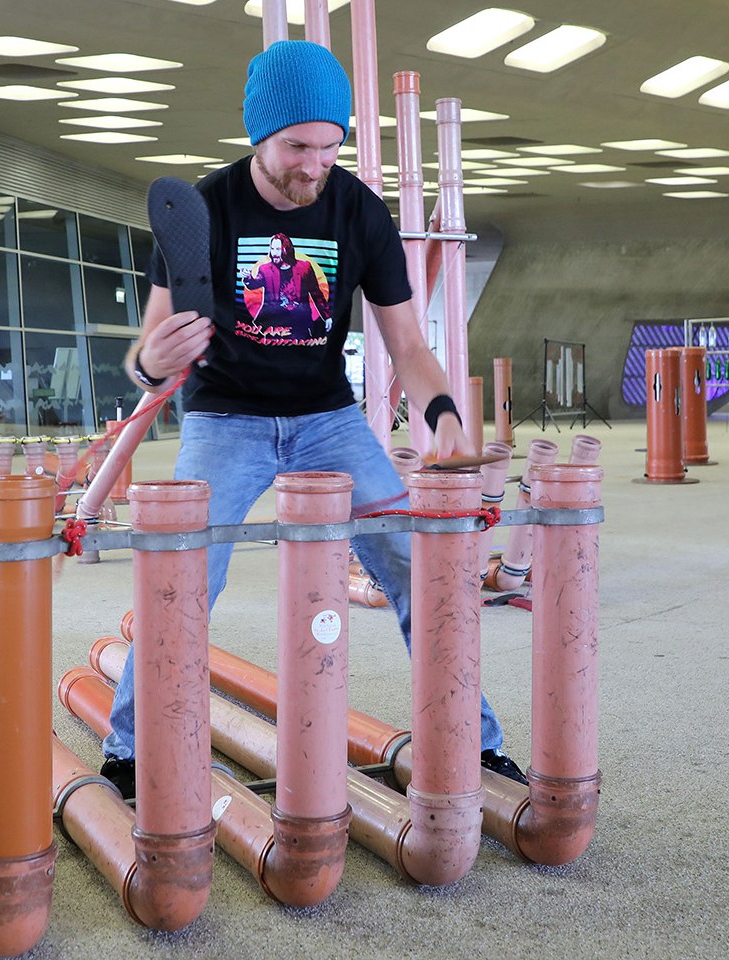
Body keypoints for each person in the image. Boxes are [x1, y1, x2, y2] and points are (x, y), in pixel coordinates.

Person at [101, 40, 527, 799]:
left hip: (325, 418)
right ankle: (131, 749)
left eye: (331, 146)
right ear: (257, 135)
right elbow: (148, 352)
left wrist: (443, 414)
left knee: (418, 563)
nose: (314, 164)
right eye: (297, 146)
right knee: (182, 575)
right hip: (224, 414)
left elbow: (407, 345)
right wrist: (151, 361)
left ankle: (477, 742)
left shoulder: (358, 208)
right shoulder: (200, 208)